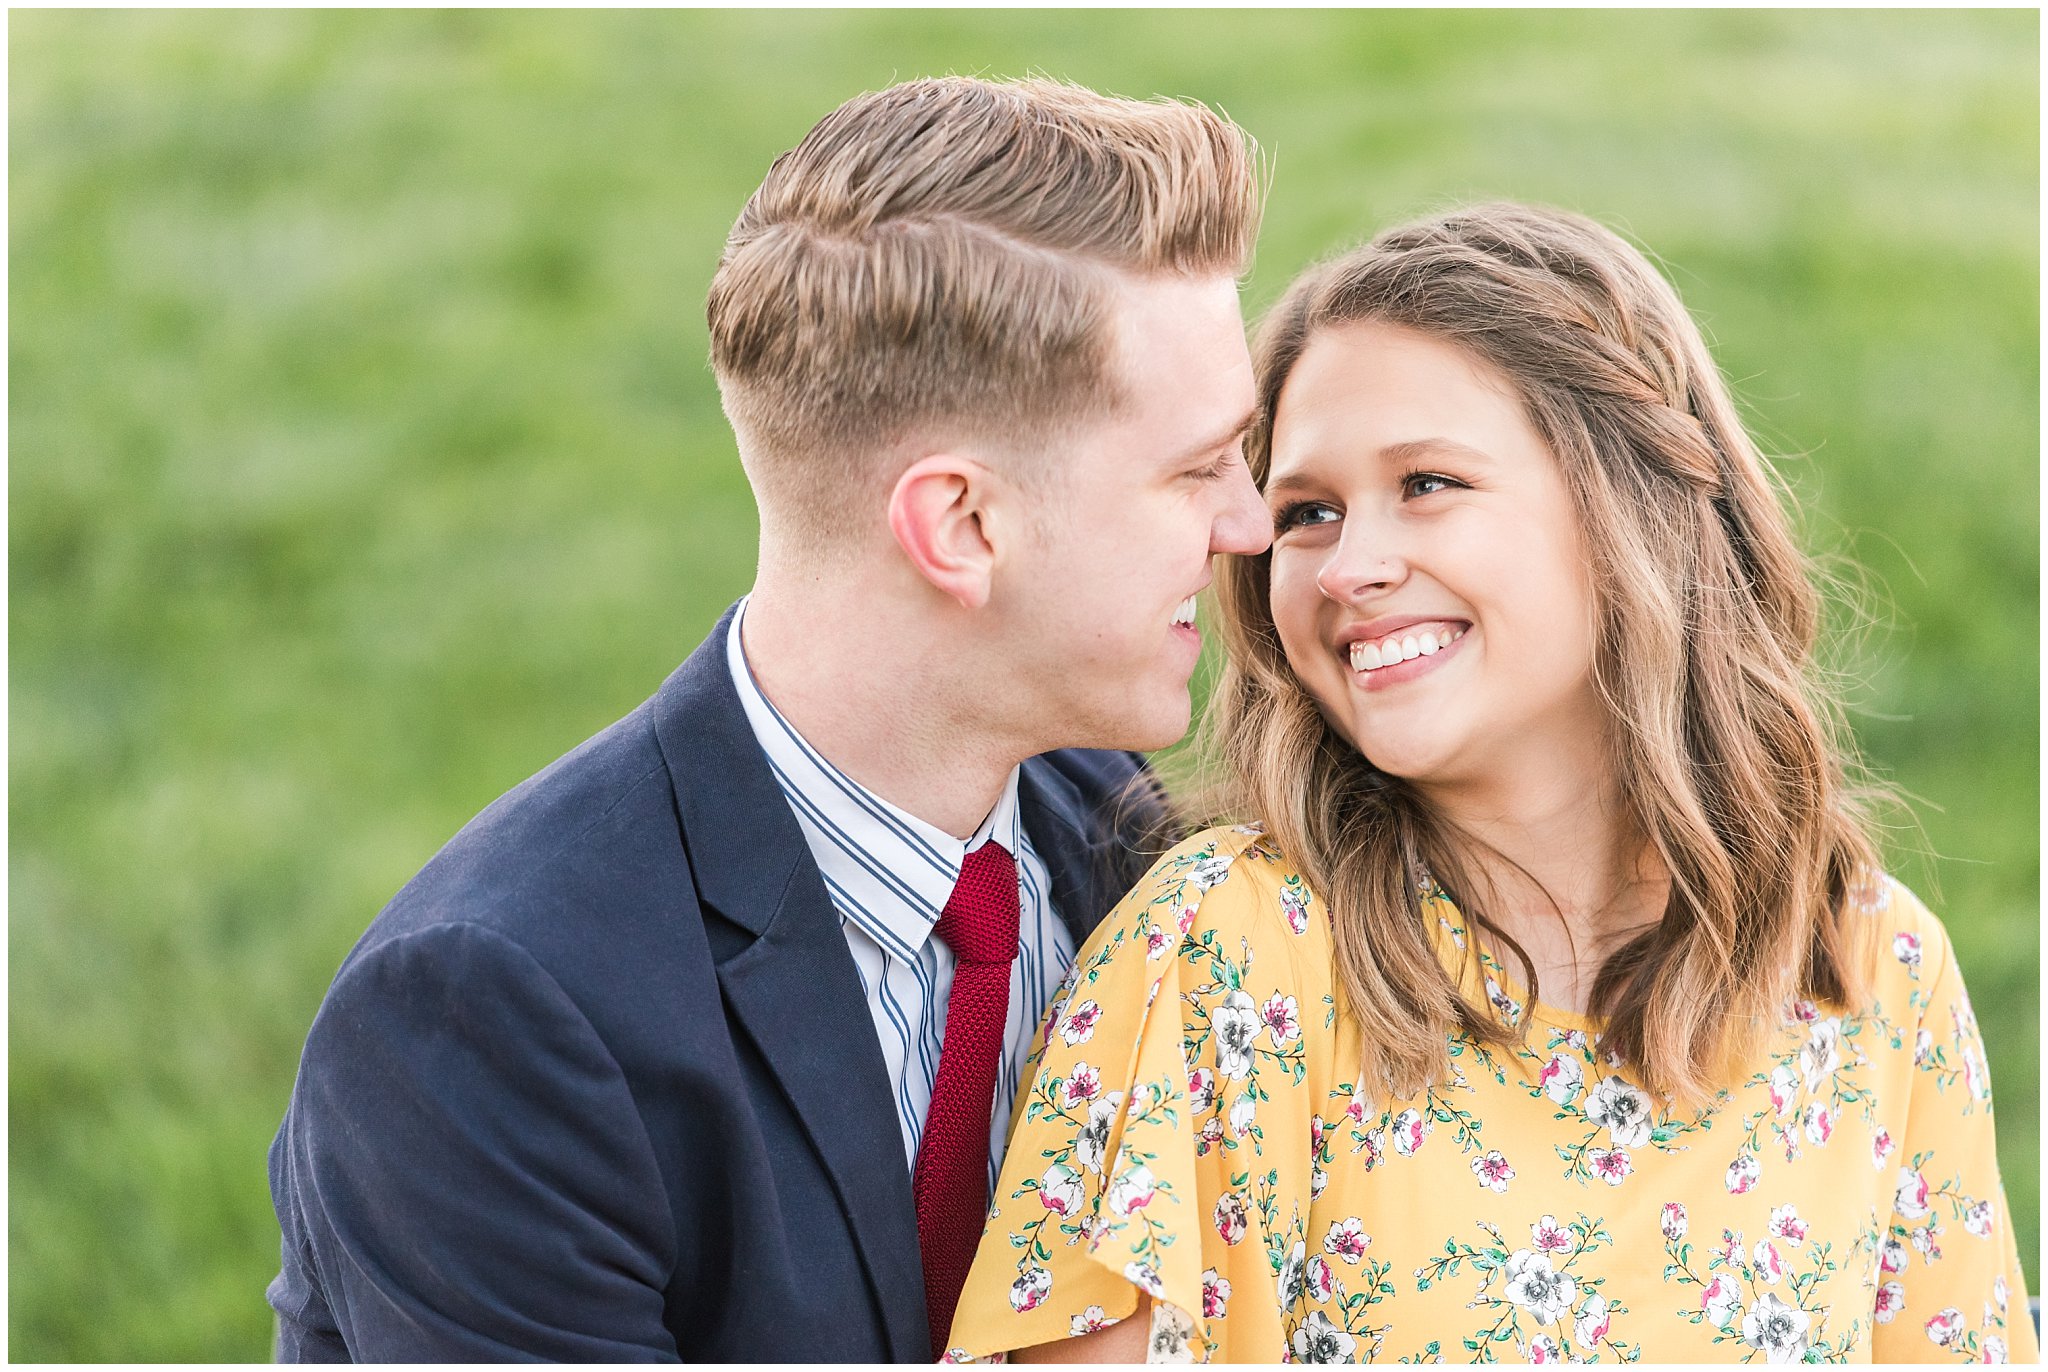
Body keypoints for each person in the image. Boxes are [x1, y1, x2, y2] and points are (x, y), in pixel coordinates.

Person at [264, 75, 1273, 1362]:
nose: (1246, 527)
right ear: (961, 525)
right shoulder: (488, 1029)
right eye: (1194, 470)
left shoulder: (1133, 851)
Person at [949, 203, 2035, 1364]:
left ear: (1634, 510)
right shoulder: (1224, 956)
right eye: (1306, 511)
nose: (1350, 567)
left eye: (1426, 483)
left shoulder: (1868, 970)